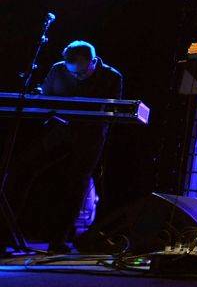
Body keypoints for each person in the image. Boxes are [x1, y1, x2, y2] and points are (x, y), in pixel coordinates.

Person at [3, 41, 122, 253]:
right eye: (73, 73)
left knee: (75, 184)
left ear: (93, 62)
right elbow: (45, 97)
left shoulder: (112, 77)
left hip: (89, 137)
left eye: (82, 73)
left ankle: (58, 241)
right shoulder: (59, 69)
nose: (77, 77)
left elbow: (111, 114)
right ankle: (3, 235)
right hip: (59, 132)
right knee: (22, 168)